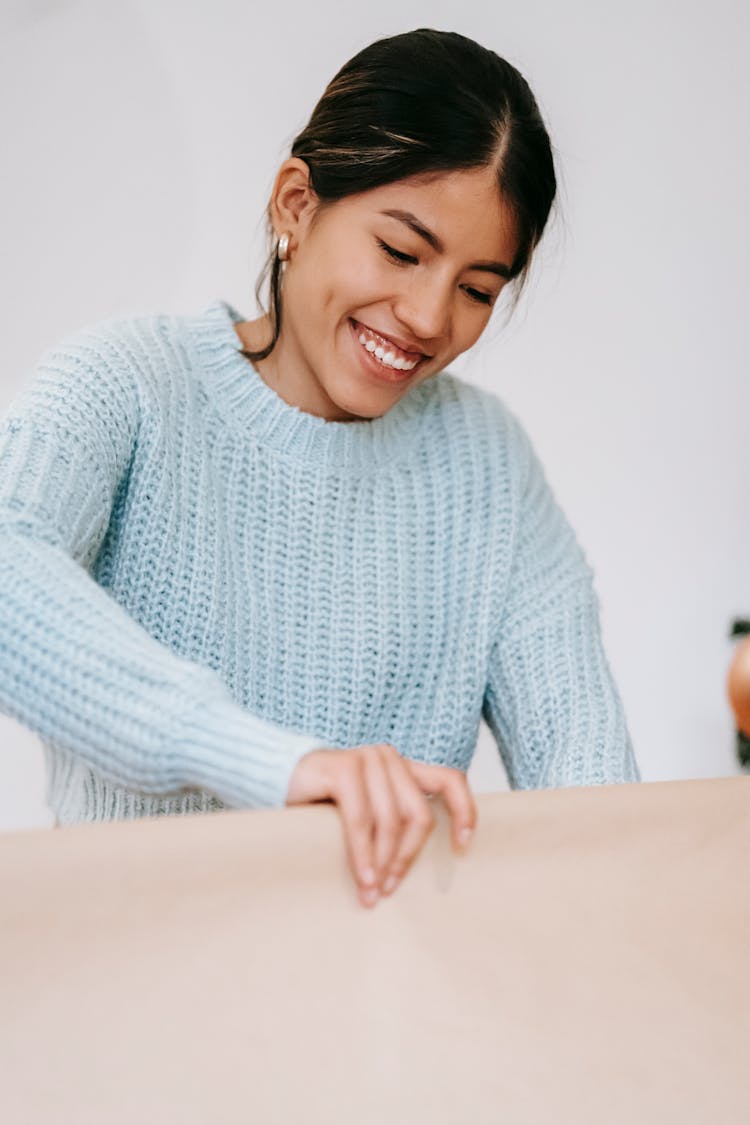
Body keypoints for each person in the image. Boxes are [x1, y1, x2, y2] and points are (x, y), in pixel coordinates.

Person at [0, 28, 640, 910]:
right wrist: (276, 764)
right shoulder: (130, 385)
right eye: (402, 252)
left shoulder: (487, 464)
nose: (426, 316)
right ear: (297, 205)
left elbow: (594, 794)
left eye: (478, 289)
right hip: (137, 984)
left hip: (391, 1005)